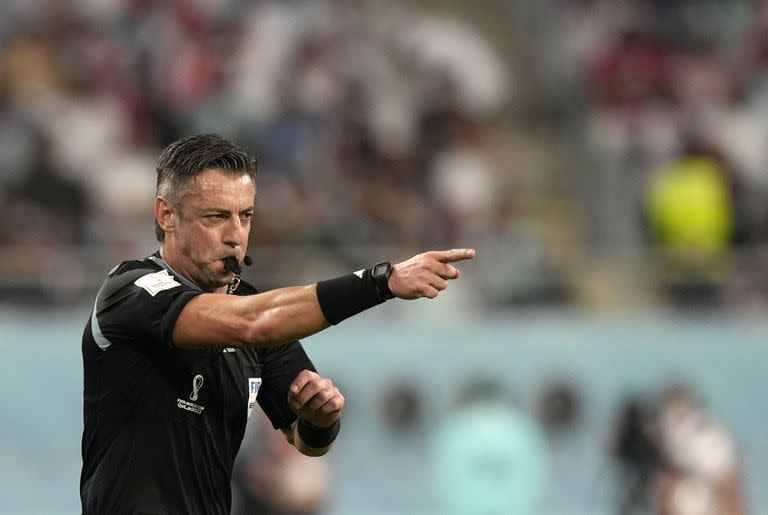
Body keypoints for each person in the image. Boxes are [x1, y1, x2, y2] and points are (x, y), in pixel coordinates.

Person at [80, 133, 475, 514]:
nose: (235, 235)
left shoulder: (249, 304)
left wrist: (321, 420)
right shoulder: (132, 290)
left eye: (245, 216)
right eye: (216, 217)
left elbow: (307, 443)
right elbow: (252, 324)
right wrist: (381, 281)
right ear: (167, 214)